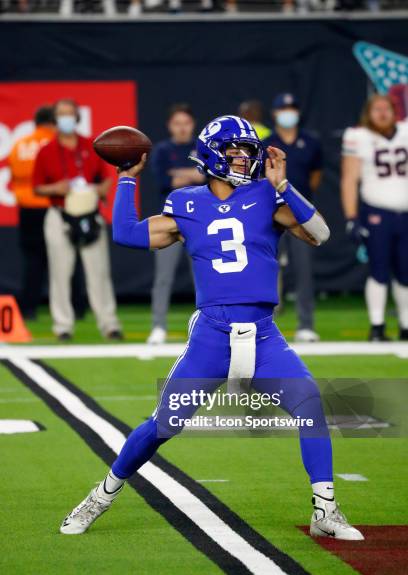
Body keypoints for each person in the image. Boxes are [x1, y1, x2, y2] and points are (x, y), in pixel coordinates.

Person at [60, 115, 363, 541]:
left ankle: (325, 510)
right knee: (163, 425)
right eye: (235, 151)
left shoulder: (265, 194)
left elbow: (320, 233)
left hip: (263, 334)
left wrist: (282, 185)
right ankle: (102, 494)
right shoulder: (186, 202)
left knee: (310, 404)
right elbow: (128, 235)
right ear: (211, 156)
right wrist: (127, 179)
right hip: (213, 336)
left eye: (248, 151)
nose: (245, 159)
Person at [33, 98, 122, 341]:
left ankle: (109, 324)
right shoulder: (46, 151)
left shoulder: (91, 146)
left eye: (70, 114)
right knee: (60, 274)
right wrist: (56, 188)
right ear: (54, 119)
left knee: (99, 272)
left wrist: (101, 189)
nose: (66, 119)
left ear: (77, 117)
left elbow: (106, 177)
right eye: (61, 115)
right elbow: (37, 188)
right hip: (60, 214)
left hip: (90, 214)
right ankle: (62, 326)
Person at [341, 94, 408, 341]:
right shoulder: (359, 137)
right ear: (368, 113)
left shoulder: (404, 131)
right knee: (379, 270)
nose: (381, 113)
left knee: (405, 272)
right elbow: (350, 178)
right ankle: (377, 327)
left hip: (405, 214)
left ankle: (405, 325)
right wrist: (351, 216)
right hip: (377, 212)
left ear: (395, 111)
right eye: (376, 109)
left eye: (386, 108)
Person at [263, 93, 323, 342]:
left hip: (298, 213)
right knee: (266, 268)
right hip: (272, 211)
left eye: (291, 107)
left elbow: (315, 177)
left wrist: (299, 201)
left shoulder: (310, 141)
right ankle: (266, 325)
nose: (288, 112)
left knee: (304, 269)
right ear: (275, 113)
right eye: (283, 108)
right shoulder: (267, 143)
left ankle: (306, 324)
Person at [147, 103, 204, 345]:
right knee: (163, 276)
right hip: (169, 219)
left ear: (192, 124)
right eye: (177, 123)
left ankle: (207, 326)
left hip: (200, 220)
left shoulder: (202, 148)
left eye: (186, 123)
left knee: (203, 276)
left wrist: (179, 175)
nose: (182, 128)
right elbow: (163, 180)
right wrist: (191, 175)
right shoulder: (161, 150)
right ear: (170, 125)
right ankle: (158, 326)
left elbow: (207, 179)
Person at [8, 106, 55, 320]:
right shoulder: (54, 143)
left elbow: (14, 174)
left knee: (32, 260)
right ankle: (76, 307)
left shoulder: (19, 144)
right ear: (52, 122)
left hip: (27, 208)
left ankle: (29, 308)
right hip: (52, 206)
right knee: (63, 260)